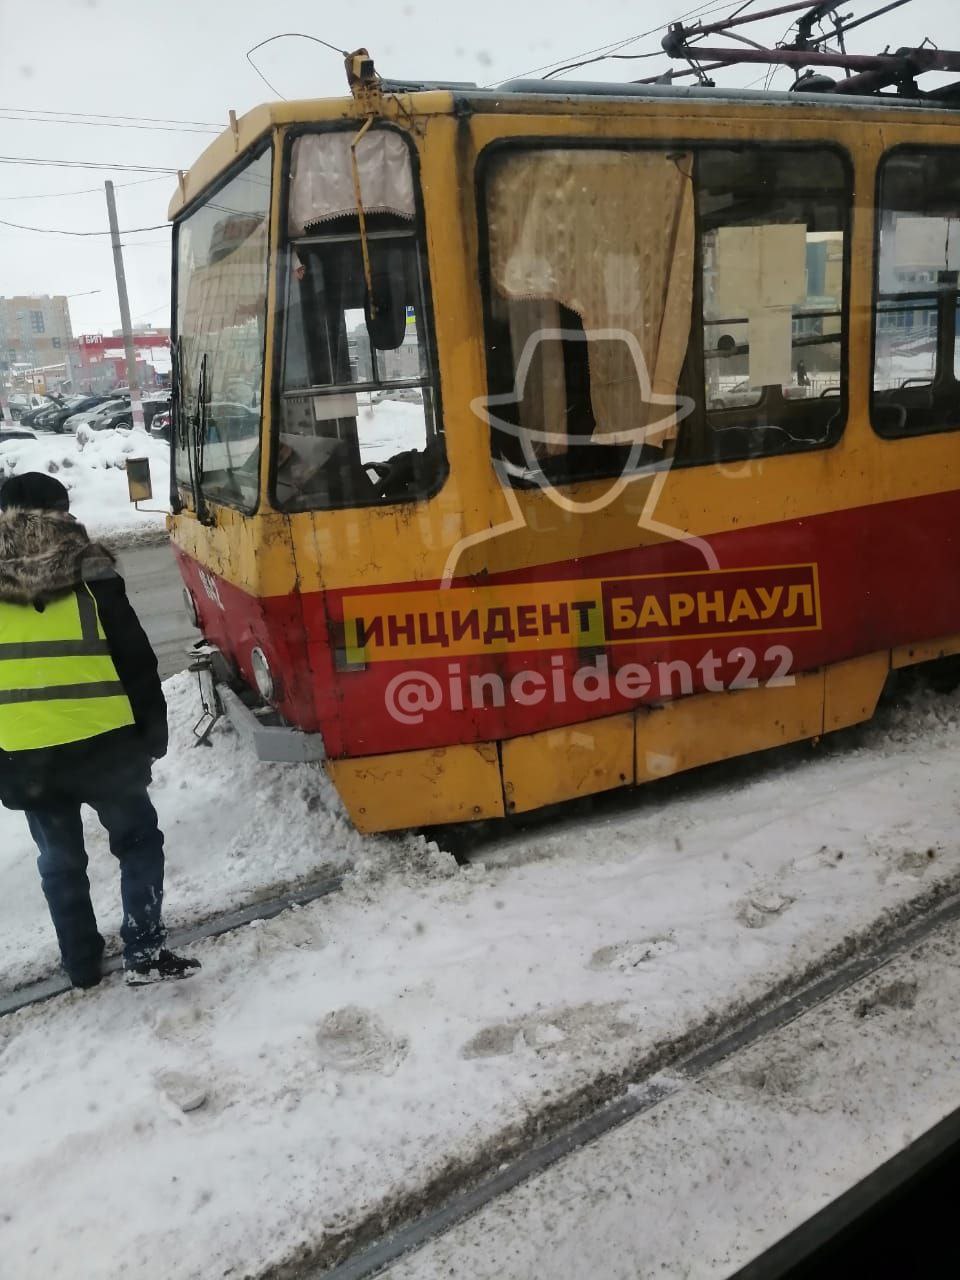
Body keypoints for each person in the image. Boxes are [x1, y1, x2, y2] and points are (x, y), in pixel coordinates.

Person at [0, 472, 199, 988]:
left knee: (60, 863)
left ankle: (82, 965)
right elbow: (136, 660)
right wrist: (153, 733)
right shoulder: (93, 571)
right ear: (62, 512)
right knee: (137, 843)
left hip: (28, 755)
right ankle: (145, 950)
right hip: (106, 747)